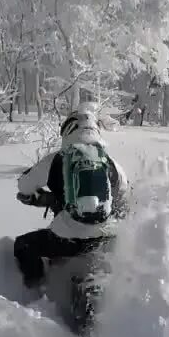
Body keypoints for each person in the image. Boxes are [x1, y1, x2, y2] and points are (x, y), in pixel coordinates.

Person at [13, 107, 129, 290]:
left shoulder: (57, 159)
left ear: (69, 129)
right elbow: (124, 195)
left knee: (23, 245)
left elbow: (24, 186)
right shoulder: (110, 162)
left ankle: (37, 290)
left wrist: (41, 197)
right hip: (105, 238)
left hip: (67, 240)